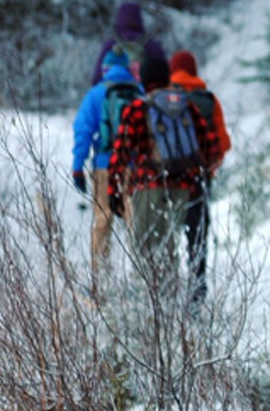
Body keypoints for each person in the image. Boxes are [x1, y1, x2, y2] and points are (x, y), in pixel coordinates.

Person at [107, 58, 221, 290]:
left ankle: (152, 312)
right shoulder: (187, 106)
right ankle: (176, 310)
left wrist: (114, 193)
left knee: (147, 253)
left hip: (148, 188)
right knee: (171, 247)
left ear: (145, 80)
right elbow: (212, 149)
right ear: (167, 77)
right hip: (184, 191)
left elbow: (120, 154)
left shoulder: (138, 108)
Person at [170, 50, 231, 305]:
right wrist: (210, 166)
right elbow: (224, 143)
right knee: (197, 235)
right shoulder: (208, 99)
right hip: (199, 178)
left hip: (169, 179)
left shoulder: (165, 97)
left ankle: (163, 291)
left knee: (164, 236)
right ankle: (197, 289)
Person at [72, 48, 142, 274]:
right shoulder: (139, 92)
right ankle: (142, 278)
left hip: (104, 165)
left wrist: (77, 167)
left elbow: (83, 131)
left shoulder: (96, 94)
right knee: (136, 223)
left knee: (103, 219)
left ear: (106, 69)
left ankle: (100, 280)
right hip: (133, 166)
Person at [91, 1, 167, 86]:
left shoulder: (110, 44)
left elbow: (97, 77)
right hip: (143, 94)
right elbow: (164, 76)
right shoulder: (152, 45)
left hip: (114, 93)